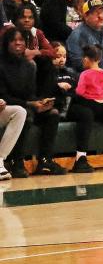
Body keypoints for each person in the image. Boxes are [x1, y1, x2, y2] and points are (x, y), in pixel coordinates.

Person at [0, 28, 62, 176]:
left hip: (25, 104)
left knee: (53, 113)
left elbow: (30, 95)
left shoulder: (29, 66)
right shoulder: (1, 65)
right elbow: (4, 96)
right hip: (8, 108)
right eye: (13, 40)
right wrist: (30, 104)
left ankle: (45, 160)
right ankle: (17, 161)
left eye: (21, 40)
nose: (18, 43)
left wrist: (40, 103)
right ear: (6, 44)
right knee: (26, 115)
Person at [66, 0, 103, 109]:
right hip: (83, 76)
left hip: (102, 76)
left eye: (102, 12)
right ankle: (98, 109)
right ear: (86, 16)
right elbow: (79, 64)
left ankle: (102, 109)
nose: (101, 16)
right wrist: (101, 73)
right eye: (96, 13)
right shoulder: (77, 35)